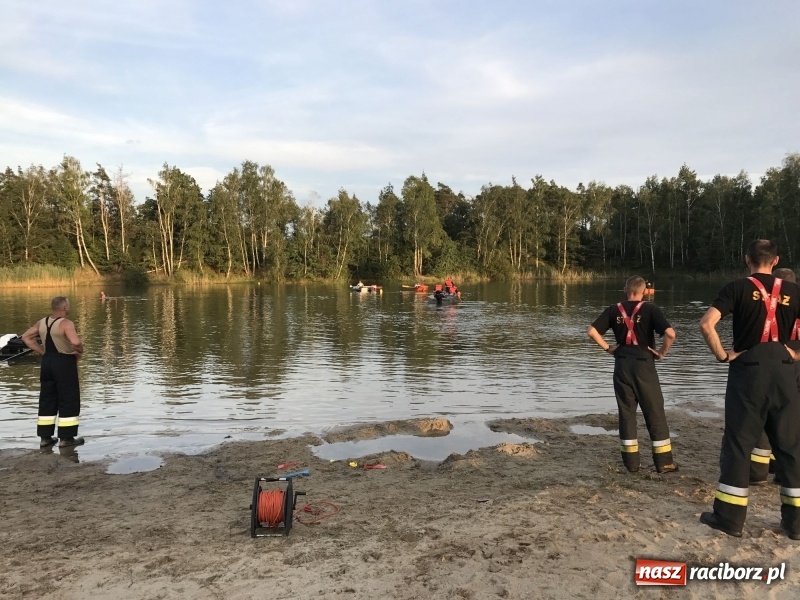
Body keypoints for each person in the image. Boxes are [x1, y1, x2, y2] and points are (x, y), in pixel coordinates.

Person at [698, 240, 800, 539]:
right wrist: (794, 354)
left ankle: (729, 519)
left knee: (739, 444)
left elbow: (706, 324)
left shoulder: (736, 288)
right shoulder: (794, 291)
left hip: (748, 371)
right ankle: (795, 524)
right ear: (776, 260)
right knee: (790, 447)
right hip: (784, 370)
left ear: (747, 260)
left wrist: (723, 355)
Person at [587, 275, 678, 474]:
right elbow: (671, 334)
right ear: (644, 292)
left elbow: (592, 331)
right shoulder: (651, 309)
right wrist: (662, 353)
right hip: (644, 365)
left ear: (625, 290)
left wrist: (608, 348)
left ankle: (631, 464)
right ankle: (664, 463)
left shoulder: (613, 309)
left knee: (626, 414)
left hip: (621, 365)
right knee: (654, 412)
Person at [21, 296, 85, 448]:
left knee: (47, 398)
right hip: (64, 362)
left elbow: (26, 337)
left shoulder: (42, 322)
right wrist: (80, 350)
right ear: (65, 308)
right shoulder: (66, 323)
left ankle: (45, 438)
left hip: (47, 362)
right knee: (68, 398)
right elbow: (75, 342)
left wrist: (42, 351)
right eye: (68, 306)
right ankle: (66, 438)